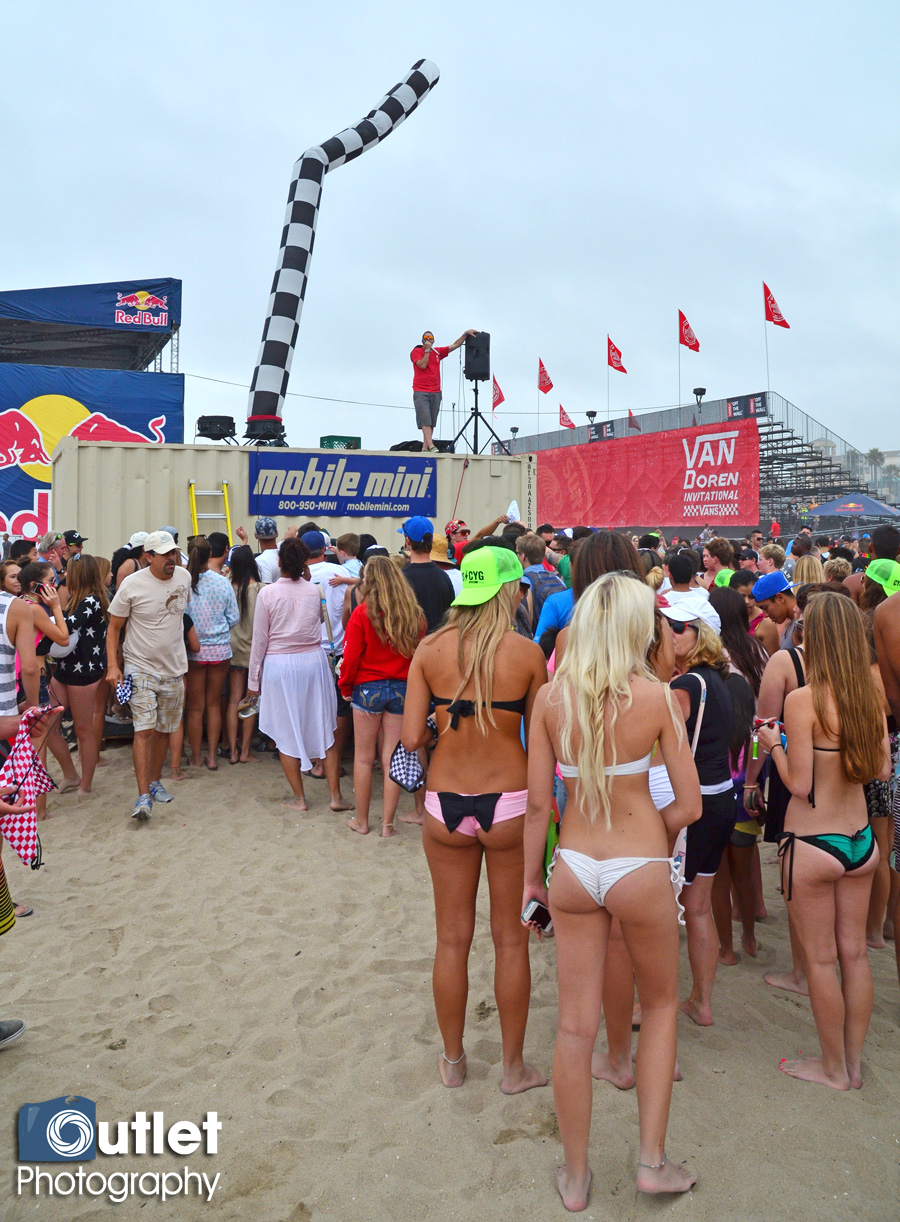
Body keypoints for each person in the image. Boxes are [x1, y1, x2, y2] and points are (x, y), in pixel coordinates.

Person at [523, 573, 700, 1206]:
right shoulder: (657, 698)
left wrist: (530, 882)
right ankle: (651, 1161)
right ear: (634, 627)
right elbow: (689, 804)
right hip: (638, 864)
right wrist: (656, 837)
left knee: (574, 1028)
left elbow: (540, 805)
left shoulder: (550, 699)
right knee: (657, 1008)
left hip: (572, 866)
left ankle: (575, 1178)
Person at [401, 545, 548, 1093]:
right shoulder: (527, 653)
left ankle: (454, 1062)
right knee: (510, 940)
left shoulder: (430, 649)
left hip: (444, 803)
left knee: (450, 940)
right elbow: (541, 741)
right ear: (508, 591)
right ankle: (513, 1070)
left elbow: (412, 736)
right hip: (509, 801)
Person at [757, 593, 889, 1089]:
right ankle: (852, 1064)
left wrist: (773, 747)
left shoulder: (803, 700)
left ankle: (833, 1067)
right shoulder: (868, 695)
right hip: (860, 844)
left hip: (813, 842)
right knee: (854, 955)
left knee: (819, 960)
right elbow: (881, 768)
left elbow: (799, 785)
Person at [662, 592, 739, 1027]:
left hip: (694, 804)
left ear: (700, 634)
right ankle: (701, 1002)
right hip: (720, 797)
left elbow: (656, 744)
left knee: (669, 910)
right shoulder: (719, 679)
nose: (669, 633)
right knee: (698, 906)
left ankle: (660, 1001)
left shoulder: (686, 686)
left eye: (678, 627)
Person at [247, 537, 351, 813]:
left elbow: (260, 641)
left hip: (280, 664)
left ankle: (300, 798)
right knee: (324, 726)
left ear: (280, 562)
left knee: (286, 731)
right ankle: (335, 796)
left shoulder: (267, 594)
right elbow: (318, 620)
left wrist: (253, 683)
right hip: (312, 662)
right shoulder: (313, 591)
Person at [106, 530, 192, 820]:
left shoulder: (184, 577)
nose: (172, 558)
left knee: (164, 731)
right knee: (143, 730)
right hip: (139, 666)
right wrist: (113, 666)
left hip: (175, 668)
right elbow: (114, 628)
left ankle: (154, 782)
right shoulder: (131, 584)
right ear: (148, 556)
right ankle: (143, 796)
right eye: (165, 554)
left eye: (174, 553)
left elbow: (178, 616)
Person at [340, 556, 424, 837]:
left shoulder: (362, 614)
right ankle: (387, 825)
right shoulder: (413, 614)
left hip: (368, 688)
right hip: (402, 687)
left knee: (363, 758)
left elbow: (350, 658)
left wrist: (345, 686)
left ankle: (362, 821)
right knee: (392, 757)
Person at [49, 555, 109, 795]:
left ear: (78, 575)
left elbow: (67, 627)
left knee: (83, 730)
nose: (64, 576)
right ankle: (71, 775)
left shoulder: (92, 601)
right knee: (48, 725)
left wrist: (52, 608)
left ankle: (86, 784)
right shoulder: (78, 599)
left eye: (68, 571)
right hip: (65, 669)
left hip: (84, 673)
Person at [184, 540, 239, 771]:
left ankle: (196, 757)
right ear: (210, 554)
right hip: (220, 649)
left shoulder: (184, 583)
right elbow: (233, 617)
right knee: (214, 704)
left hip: (194, 650)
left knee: (195, 707)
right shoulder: (222, 582)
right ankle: (213, 758)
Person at [410, 327, 477, 451]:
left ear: (434, 340)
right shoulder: (417, 351)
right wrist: (427, 351)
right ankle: (431, 445)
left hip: (435, 391)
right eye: (426, 338)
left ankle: (425, 447)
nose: (428, 340)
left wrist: (465, 334)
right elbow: (422, 365)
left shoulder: (438, 352)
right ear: (422, 340)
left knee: (431, 420)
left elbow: (454, 345)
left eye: (431, 338)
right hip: (421, 390)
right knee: (424, 418)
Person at [225, 545, 262, 765]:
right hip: (253, 652)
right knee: (250, 701)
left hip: (232, 650)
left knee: (233, 700)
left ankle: (232, 750)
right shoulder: (260, 589)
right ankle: (246, 751)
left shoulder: (226, 586)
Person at [399, 517, 454, 633]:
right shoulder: (444, 577)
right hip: (439, 645)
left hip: (411, 647)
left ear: (408, 541)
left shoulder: (401, 578)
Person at [753, 570, 801, 649]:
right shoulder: (790, 622)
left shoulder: (801, 626)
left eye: (765, 608)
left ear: (780, 598)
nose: (765, 615)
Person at [253, 516, 283, 584]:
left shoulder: (261, 561)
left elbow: (266, 589)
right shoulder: (286, 554)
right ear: (277, 534)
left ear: (255, 535)